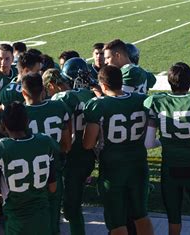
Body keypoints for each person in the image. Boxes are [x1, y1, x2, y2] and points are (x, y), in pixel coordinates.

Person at [144, 62, 190, 235]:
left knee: (174, 220)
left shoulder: (157, 102)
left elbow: (148, 143)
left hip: (170, 168)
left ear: (170, 82)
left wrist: (165, 141)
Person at [83, 65, 153, 235]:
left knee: (117, 222)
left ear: (103, 86)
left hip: (113, 170)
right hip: (138, 165)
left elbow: (88, 143)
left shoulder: (97, 105)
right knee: (140, 215)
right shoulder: (141, 99)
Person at [0, 102, 58, 235]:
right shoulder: (44, 141)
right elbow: (52, 187)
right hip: (42, 217)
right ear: (27, 121)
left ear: (3, 124)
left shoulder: (0, 148)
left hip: (17, 220)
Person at [43, 67, 95, 235]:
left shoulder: (60, 99)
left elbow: (68, 138)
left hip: (70, 157)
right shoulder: (88, 94)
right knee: (73, 204)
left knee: (65, 206)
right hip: (87, 154)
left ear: (52, 85)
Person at [22, 72, 71, 235]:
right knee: (52, 216)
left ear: (23, 92)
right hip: (54, 169)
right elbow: (66, 145)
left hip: (27, 174)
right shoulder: (59, 107)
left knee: (30, 219)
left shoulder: (18, 111)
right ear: (43, 89)